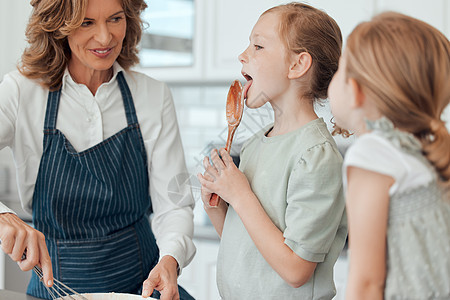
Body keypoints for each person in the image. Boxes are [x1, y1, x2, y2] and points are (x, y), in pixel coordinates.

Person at [0, 0, 196, 299]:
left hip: (143, 286)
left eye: (115, 19)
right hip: (56, 289)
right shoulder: (21, 92)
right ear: (58, 25)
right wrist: (2, 216)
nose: (105, 38)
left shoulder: (153, 96)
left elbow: (174, 203)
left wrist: (170, 259)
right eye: (86, 22)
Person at [197, 3, 347, 299]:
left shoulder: (316, 155)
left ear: (297, 65)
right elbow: (244, 244)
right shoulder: (254, 143)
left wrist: (240, 195)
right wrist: (217, 204)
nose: (243, 55)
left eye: (258, 46)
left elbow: (295, 270)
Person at [328, 12, 450, 300]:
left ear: (355, 91)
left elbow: (367, 283)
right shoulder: (423, 151)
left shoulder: (373, 155)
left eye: (339, 70)